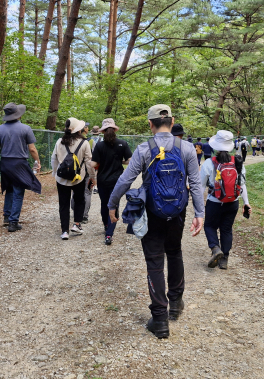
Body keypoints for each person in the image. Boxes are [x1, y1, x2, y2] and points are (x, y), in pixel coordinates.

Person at [108, 104, 204, 339]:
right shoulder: (188, 148)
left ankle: (160, 319)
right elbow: (196, 183)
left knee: (154, 262)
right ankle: (176, 303)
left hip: (151, 212)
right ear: (172, 122)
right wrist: (199, 213)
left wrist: (112, 203)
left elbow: (125, 180)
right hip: (177, 212)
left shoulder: (143, 149)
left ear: (150, 124)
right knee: (174, 253)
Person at [0, 103, 42, 233]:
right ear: (18, 115)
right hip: (19, 164)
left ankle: (7, 216)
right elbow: (32, 148)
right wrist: (37, 161)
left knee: (9, 188)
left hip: (5, 163)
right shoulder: (26, 128)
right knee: (18, 191)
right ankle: (13, 222)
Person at [200, 130, 251, 270]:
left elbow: (200, 186)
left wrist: (198, 207)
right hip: (233, 202)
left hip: (214, 202)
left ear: (215, 146)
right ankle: (225, 260)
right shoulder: (238, 162)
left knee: (209, 226)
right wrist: (246, 203)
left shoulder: (209, 163)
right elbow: (242, 184)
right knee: (226, 229)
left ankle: (216, 249)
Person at [52, 117, 97, 239]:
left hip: (62, 179)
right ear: (78, 130)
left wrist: (55, 173)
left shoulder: (59, 142)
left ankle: (64, 231)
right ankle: (77, 224)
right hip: (78, 177)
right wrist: (93, 177)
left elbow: (54, 159)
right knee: (79, 200)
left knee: (64, 204)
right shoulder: (84, 143)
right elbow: (89, 162)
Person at [91, 118, 132, 245]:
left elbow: (94, 164)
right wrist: (121, 162)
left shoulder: (99, 146)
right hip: (118, 181)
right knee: (114, 204)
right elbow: (130, 161)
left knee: (104, 204)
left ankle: (106, 226)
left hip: (103, 180)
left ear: (102, 131)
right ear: (114, 130)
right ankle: (109, 233)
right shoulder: (122, 144)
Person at [71, 122, 93, 224]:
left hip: (76, 170)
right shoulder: (89, 141)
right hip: (86, 170)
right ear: (85, 129)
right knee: (87, 192)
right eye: (87, 127)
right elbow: (92, 158)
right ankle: (84, 216)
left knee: (76, 191)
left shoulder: (72, 140)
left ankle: (76, 211)